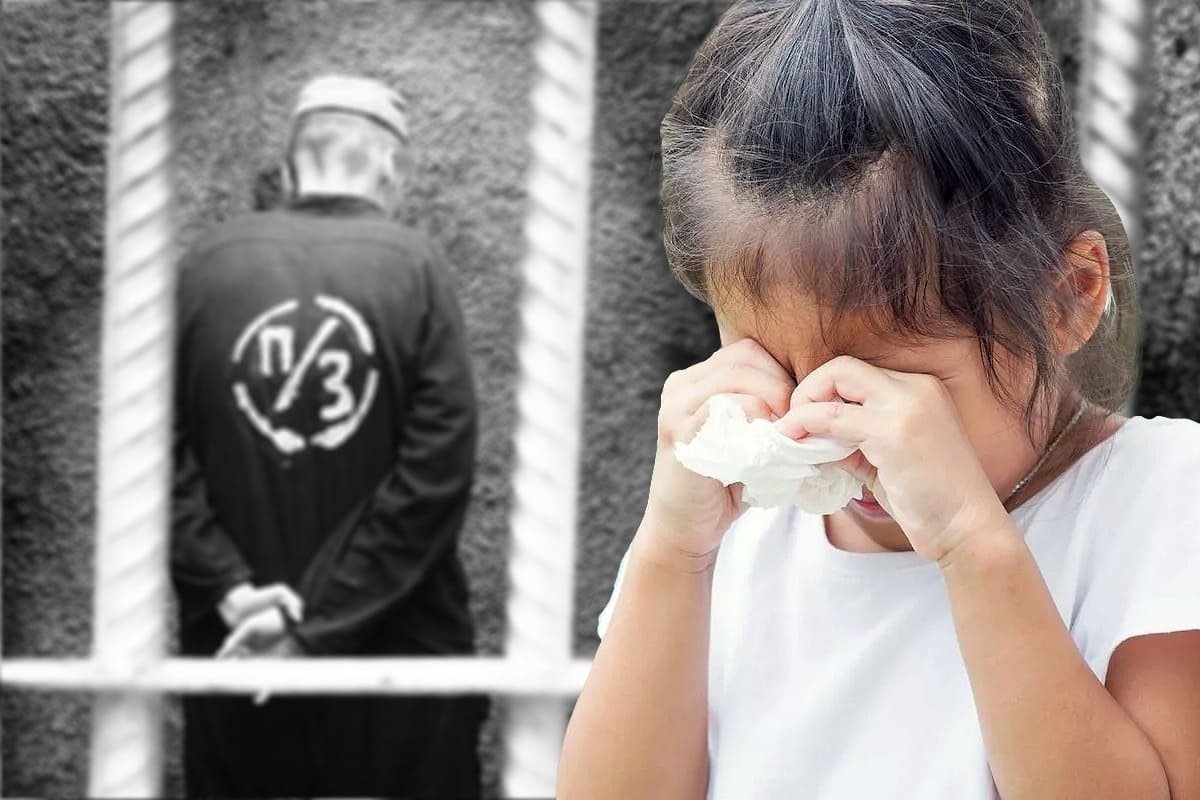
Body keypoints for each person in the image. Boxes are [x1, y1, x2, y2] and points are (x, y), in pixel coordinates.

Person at [560, 2, 1200, 798]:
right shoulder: (732, 541)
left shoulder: (1162, 498)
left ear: (1068, 296)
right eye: (772, 369)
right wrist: (671, 554)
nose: (819, 430)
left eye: (889, 387)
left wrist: (969, 541)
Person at [171, 74, 487, 798]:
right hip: (396, 667)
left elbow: (151, 461)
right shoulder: (414, 267)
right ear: (388, 167)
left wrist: (233, 592)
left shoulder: (204, 267)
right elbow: (436, 475)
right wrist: (315, 630)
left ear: (289, 168)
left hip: (238, 656)